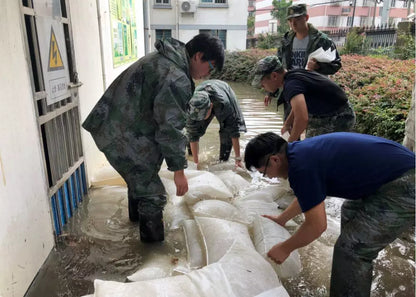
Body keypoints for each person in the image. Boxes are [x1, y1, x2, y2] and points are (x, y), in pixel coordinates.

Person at [82, 33, 224, 242]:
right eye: (210, 67)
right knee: (153, 195)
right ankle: (150, 253)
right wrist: (179, 172)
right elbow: (170, 128)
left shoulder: (166, 59)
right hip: (122, 133)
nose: (208, 74)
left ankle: (134, 226)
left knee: (142, 179)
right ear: (198, 56)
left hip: (118, 126)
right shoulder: (176, 77)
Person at [244, 131, 415, 297]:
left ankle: (352, 275)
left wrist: (285, 248)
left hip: (405, 183)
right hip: (393, 175)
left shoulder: (301, 166)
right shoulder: (299, 154)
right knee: (349, 211)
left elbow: (317, 226)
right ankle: (356, 274)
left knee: (350, 250)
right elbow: (308, 195)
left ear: (274, 160)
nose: (270, 178)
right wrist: (282, 219)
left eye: (264, 172)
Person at [265, 3, 342, 120]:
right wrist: (271, 92)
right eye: (290, 20)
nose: (293, 24)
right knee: (289, 130)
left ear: (306, 18)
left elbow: (336, 65)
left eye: (297, 19)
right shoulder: (286, 41)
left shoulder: (322, 40)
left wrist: (318, 66)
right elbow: (278, 68)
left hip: (314, 92)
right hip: (292, 89)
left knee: (312, 129)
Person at [252, 56, 355, 143]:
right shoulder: (292, 76)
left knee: (316, 150)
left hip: (340, 116)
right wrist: (287, 124)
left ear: (274, 75)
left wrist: (289, 145)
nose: (262, 87)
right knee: (309, 146)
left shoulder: (291, 85)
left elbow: (302, 118)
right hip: (329, 112)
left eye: (262, 84)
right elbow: (298, 108)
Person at [186, 80, 246, 168]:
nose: (200, 119)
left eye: (202, 115)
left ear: (210, 106)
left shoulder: (224, 105)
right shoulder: (192, 106)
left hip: (224, 90)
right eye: (198, 116)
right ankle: (192, 156)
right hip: (203, 92)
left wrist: (238, 158)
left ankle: (223, 159)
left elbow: (234, 131)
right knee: (191, 130)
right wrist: (196, 163)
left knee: (226, 131)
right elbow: (192, 134)